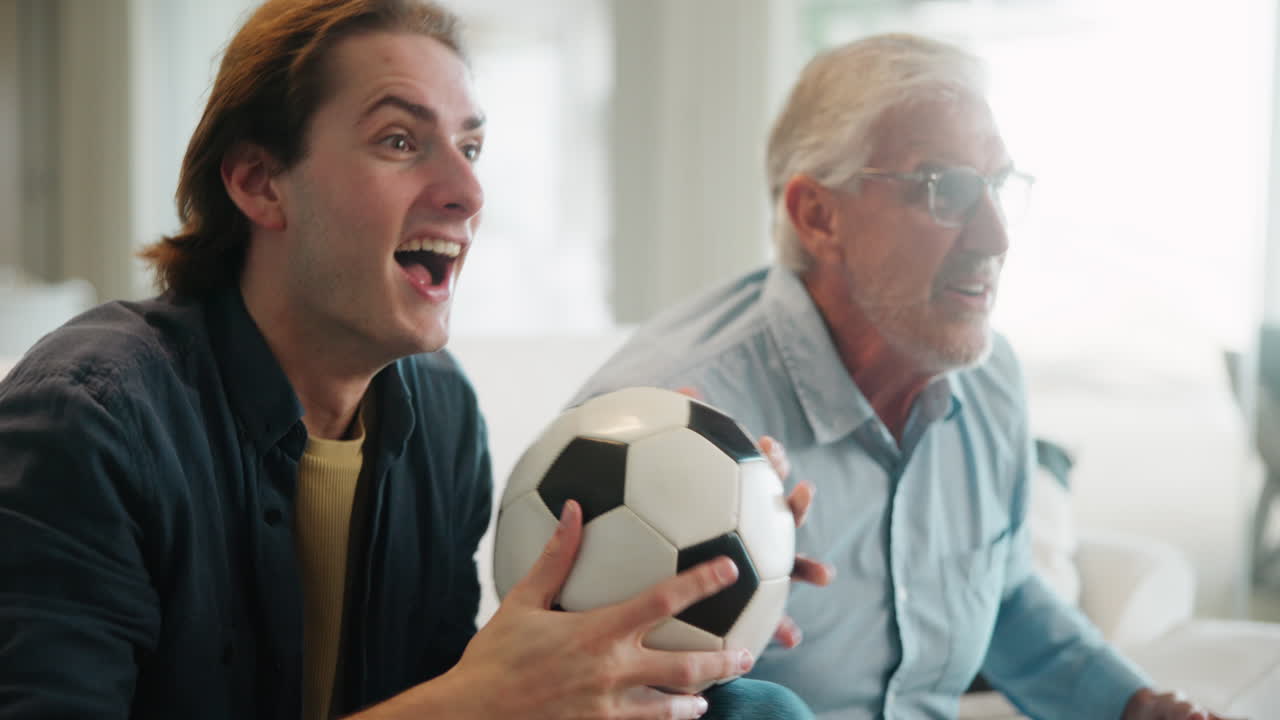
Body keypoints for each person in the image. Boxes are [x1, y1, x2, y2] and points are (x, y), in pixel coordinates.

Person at [0, 1, 820, 718]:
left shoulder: (440, 412)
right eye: (399, 140)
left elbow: (445, 690)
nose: (468, 192)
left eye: (471, 147)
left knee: (749, 709)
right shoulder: (91, 420)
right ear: (259, 183)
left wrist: (706, 548)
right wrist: (470, 705)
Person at [573, 34, 1233, 720]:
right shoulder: (670, 426)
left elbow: (1004, 598)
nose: (996, 237)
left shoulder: (989, 378)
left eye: (998, 187)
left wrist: (1135, 707)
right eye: (945, 190)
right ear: (818, 216)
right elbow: (592, 690)